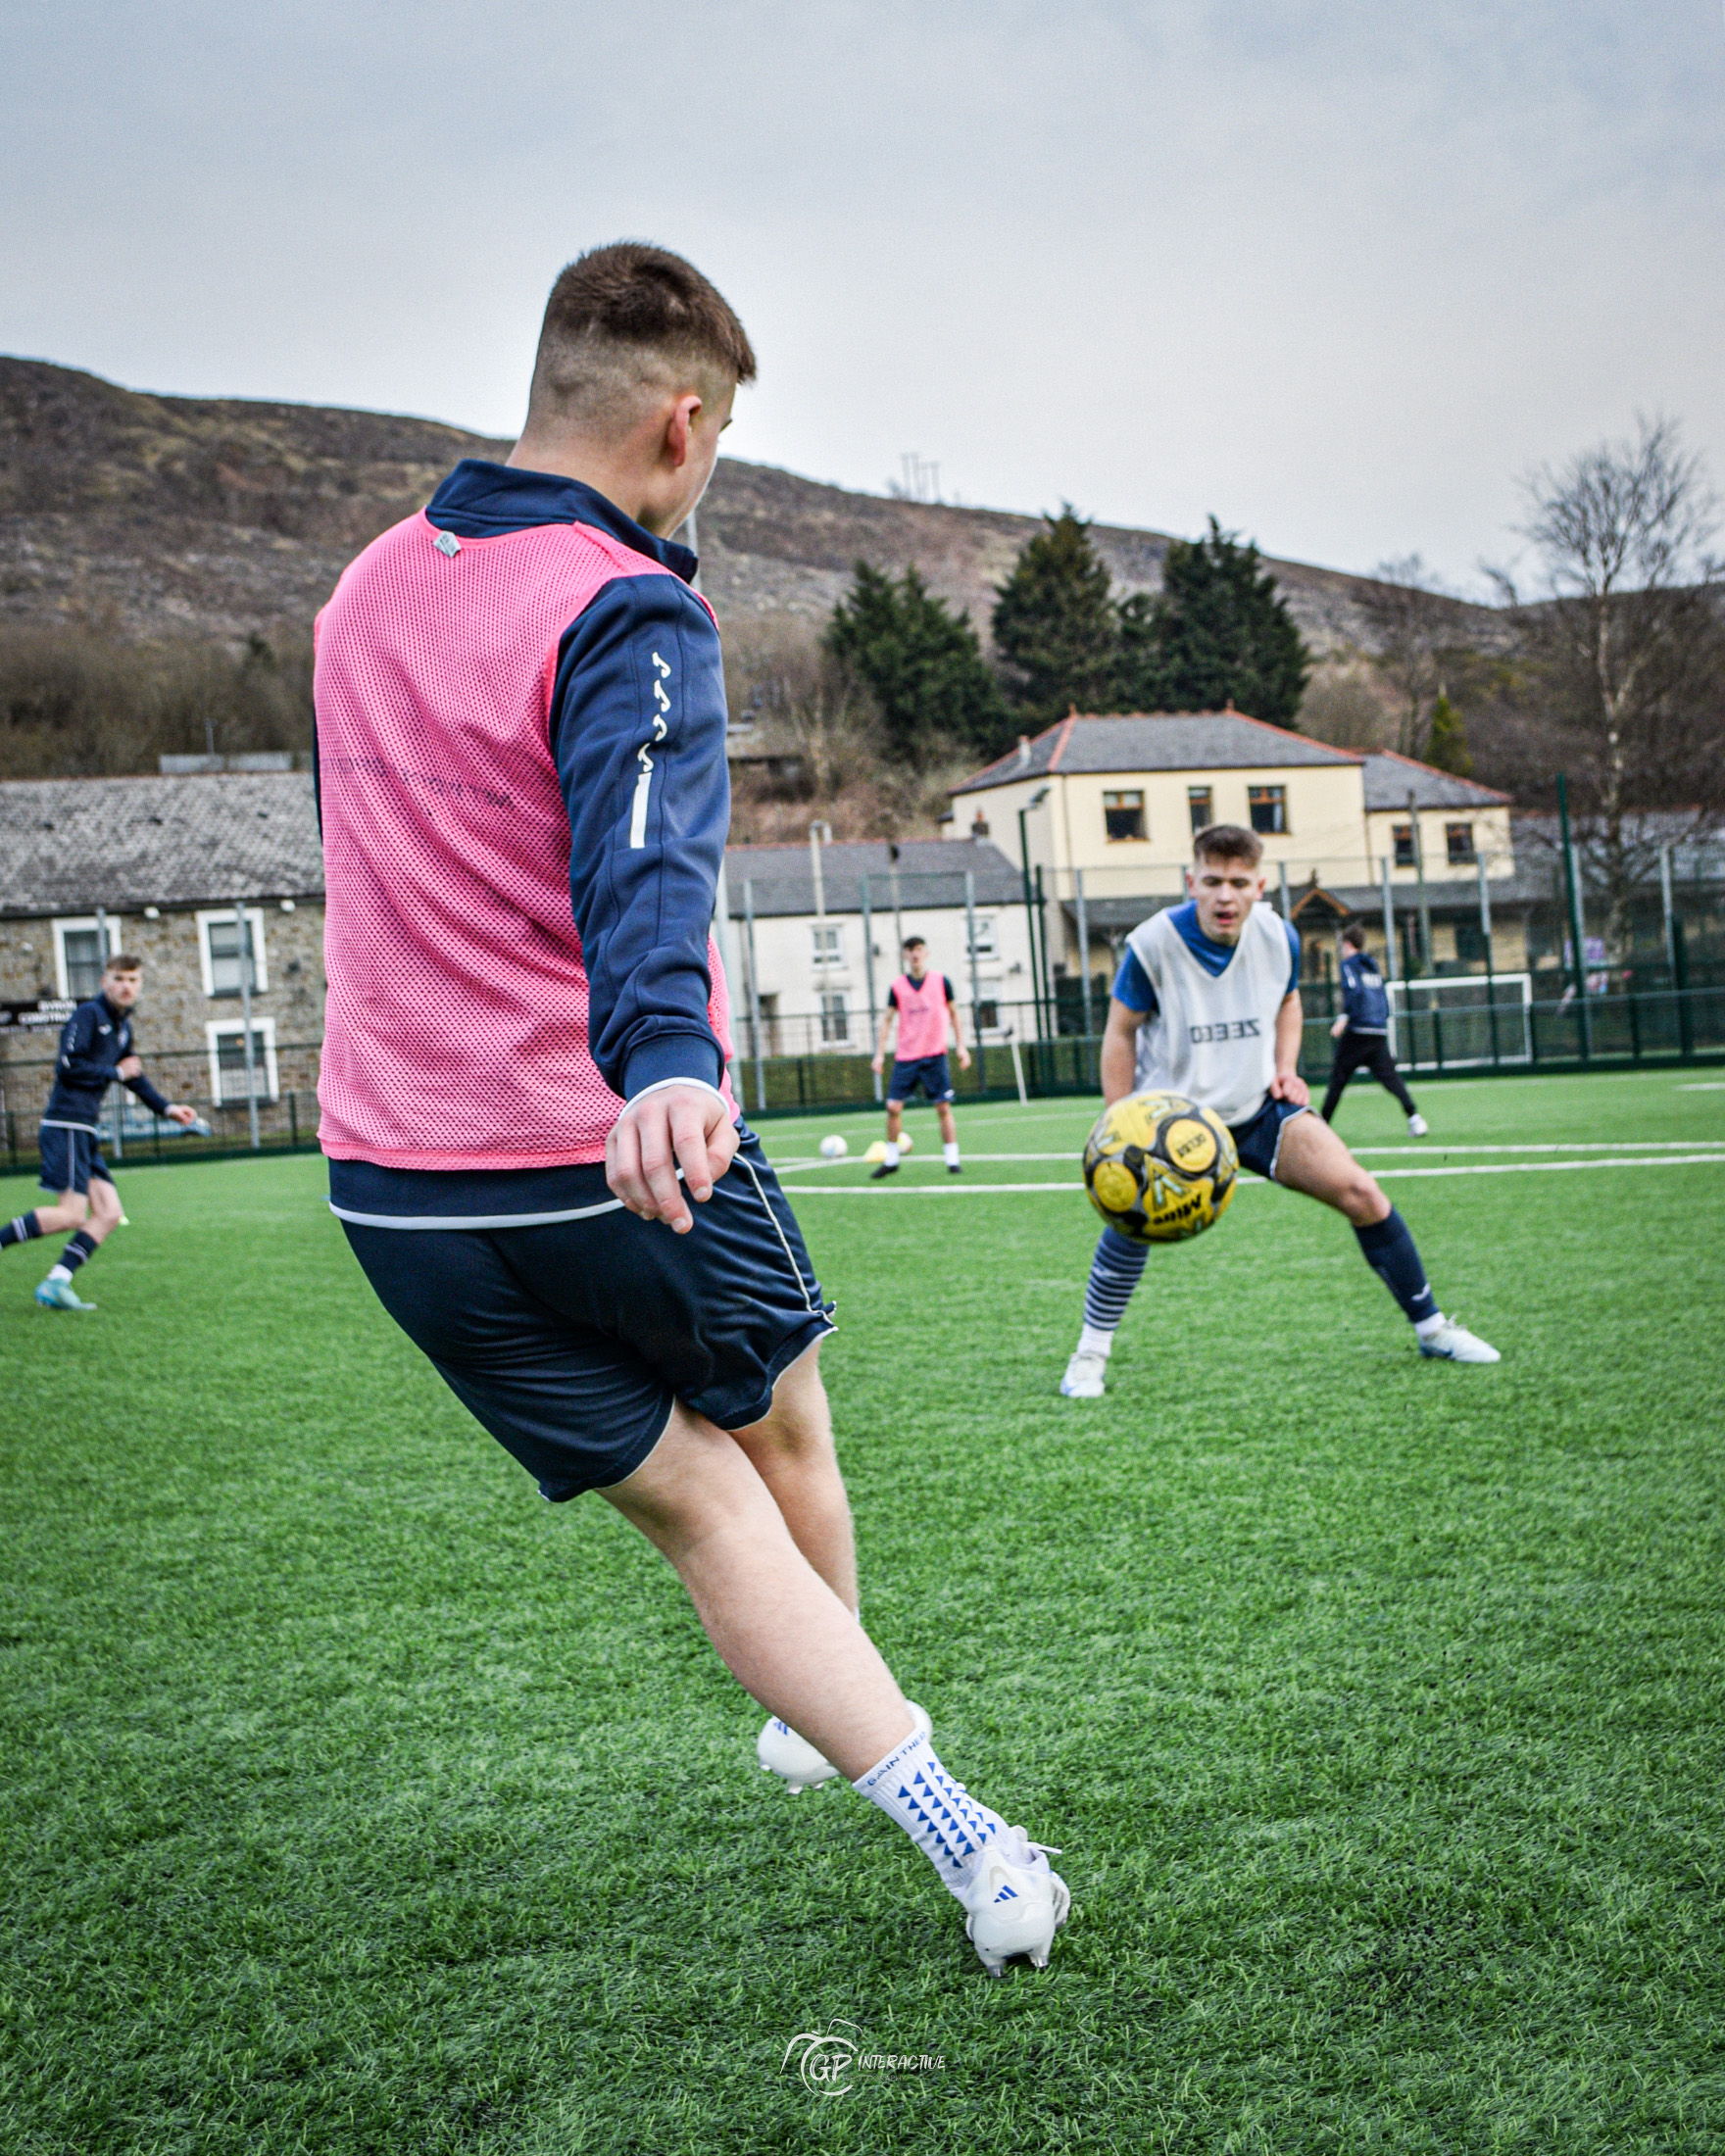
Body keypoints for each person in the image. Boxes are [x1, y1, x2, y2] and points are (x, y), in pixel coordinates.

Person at [313, 243, 1066, 1977]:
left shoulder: (362, 591)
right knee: (783, 1439)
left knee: (699, 1508)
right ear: (678, 423)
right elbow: (647, 847)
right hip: (606, 1149)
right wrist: (663, 1054)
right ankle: (892, 1763)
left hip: (396, 1195)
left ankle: (866, 1752)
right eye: (716, 441)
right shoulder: (626, 603)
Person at [1059, 825, 1498, 1399]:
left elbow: (1288, 1002)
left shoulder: (1277, 936)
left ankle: (1433, 1329)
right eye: (1212, 881)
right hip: (1171, 1124)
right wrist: (1119, 1120)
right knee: (1128, 1222)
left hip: (1255, 1111)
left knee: (1362, 1193)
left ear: (1259, 886)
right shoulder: (1151, 944)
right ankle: (1089, 1356)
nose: (1224, 896)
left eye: (1239, 883)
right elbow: (1120, 1034)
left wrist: (1286, 1066)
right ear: (1192, 882)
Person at [1, 954, 198, 1308]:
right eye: (119, 978)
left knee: (108, 1213)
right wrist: (114, 1073)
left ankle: (55, 1284)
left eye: (133, 980)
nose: (127, 986)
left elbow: (132, 1074)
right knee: (72, 1214)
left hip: (85, 1130)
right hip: (66, 1124)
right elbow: (68, 1065)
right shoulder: (88, 1014)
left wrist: (167, 1109)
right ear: (105, 982)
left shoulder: (122, 1026)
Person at [867, 936, 970, 1178]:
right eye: (910, 951)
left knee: (943, 1107)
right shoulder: (897, 986)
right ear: (905, 955)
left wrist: (962, 1046)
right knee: (893, 1106)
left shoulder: (941, 981)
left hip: (935, 1054)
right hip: (907, 1056)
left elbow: (955, 1014)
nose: (915, 955)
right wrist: (879, 1054)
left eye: (919, 950)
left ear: (926, 953)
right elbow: (887, 1020)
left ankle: (952, 1161)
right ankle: (891, 1160)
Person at [1321, 923, 1427, 1134]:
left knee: (1338, 1079)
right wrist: (1381, 1020)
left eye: (1342, 946)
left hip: (1357, 1031)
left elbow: (1354, 990)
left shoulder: (1349, 965)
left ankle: (1321, 1128)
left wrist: (1344, 1017)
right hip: (1377, 1031)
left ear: (1348, 945)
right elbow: (1381, 996)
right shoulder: (1373, 967)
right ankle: (1415, 1118)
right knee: (1390, 1078)